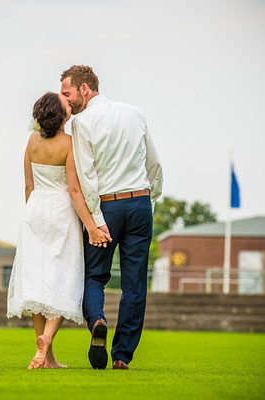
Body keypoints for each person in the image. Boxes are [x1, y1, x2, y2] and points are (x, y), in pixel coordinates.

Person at [60, 65, 163, 370]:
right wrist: (150, 201)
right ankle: (122, 356)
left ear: (84, 89)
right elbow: (153, 163)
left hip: (107, 206)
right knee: (135, 284)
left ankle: (98, 322)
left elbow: (86, 174)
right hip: (140, 202)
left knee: (94, 276)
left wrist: (94, 219)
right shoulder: (135, 112)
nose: (66, 100)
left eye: (68, 93)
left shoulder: (82, 122)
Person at [7, 92, 112, 369]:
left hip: (35, 210)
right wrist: (91, 227)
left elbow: (28, 186)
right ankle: (48, 339)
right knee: (65, 277)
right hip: (61, 211)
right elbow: (75, 190)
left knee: (38, 281)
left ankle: (46, 354)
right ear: (64, 116)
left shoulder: (31, 141)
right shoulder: (69, 143)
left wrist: (33, 214)